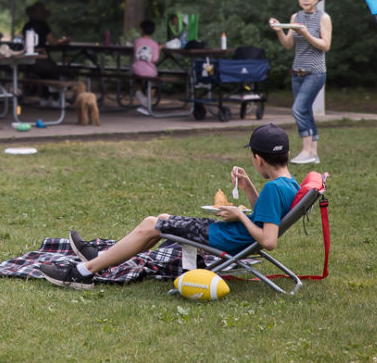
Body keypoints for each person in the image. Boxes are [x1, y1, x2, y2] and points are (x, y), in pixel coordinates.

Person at [38, 123, 299, 290]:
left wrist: (239, 216)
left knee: (152, 223)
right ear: (286, 155)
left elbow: (268, 240)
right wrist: (248, 187)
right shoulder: (289, 184)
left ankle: (83, 272)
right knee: (161, 219)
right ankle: (101, 257)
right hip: (228, 236)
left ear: (257, 158)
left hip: (222, 238)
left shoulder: (273, 189)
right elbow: (266, 216)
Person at [269, 0, 332, 165]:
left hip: (316, 72)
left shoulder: (323, 17)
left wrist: (306, 33)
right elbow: (288, 44)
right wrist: (279, 30)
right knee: (305, 111)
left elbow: (325, 45)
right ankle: (313, 153)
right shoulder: (295, 17)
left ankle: (306, 151)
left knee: (298, 109)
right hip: (297, 72)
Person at [131, 19, 161, 115]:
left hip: (136, 69)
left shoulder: (136, 42)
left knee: (137, 80)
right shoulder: (154, 44)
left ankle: (142, 98)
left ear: (141, 30)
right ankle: (147, 105)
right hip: (149, 71)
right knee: (154, 82)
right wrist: (159, 49)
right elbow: (155, 59)